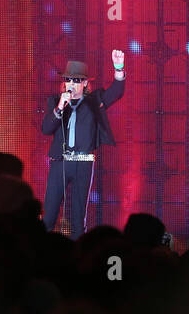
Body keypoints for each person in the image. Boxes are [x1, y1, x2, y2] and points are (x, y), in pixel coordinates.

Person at [41, 50, 126, 235]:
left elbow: (116, 92)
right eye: (69, 80)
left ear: (85, 83)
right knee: (49, 215)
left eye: (77, 80)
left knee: (78, 218)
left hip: (83, 162)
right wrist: (59, 108)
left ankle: (78, 256)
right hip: (60, 163)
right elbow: (46, 129)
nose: (72, 84)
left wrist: (119, 68)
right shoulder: (56, 102)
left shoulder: (94, 101)